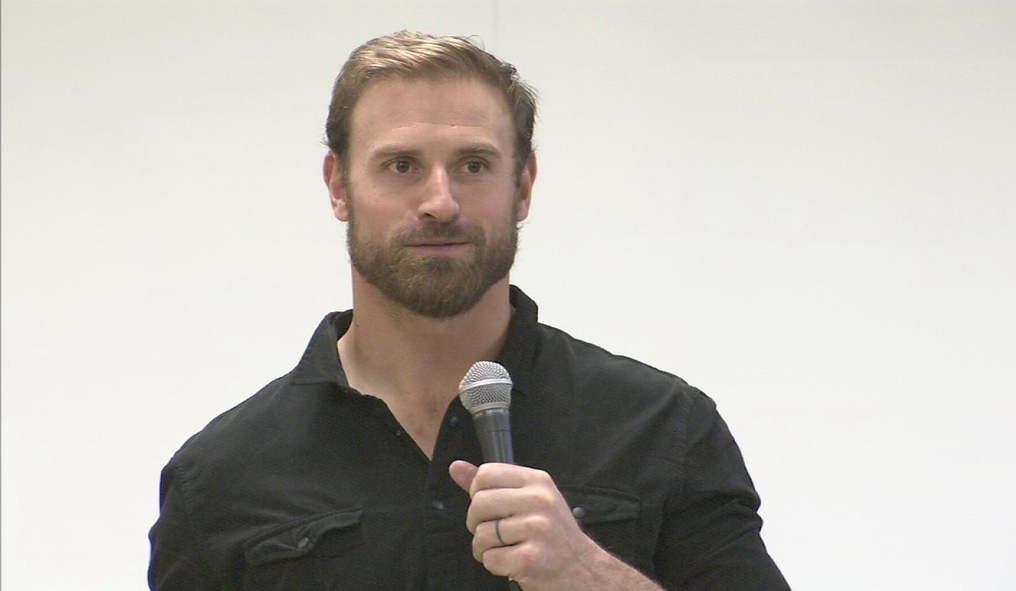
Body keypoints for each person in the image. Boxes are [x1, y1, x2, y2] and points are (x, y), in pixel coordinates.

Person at [148, 31, 791, 591]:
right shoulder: (222, 476)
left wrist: (587, 575)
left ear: (523, 187)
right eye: (401, 165)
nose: (440, 202)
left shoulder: (661, 429)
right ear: (339, 186)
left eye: (473, 165)